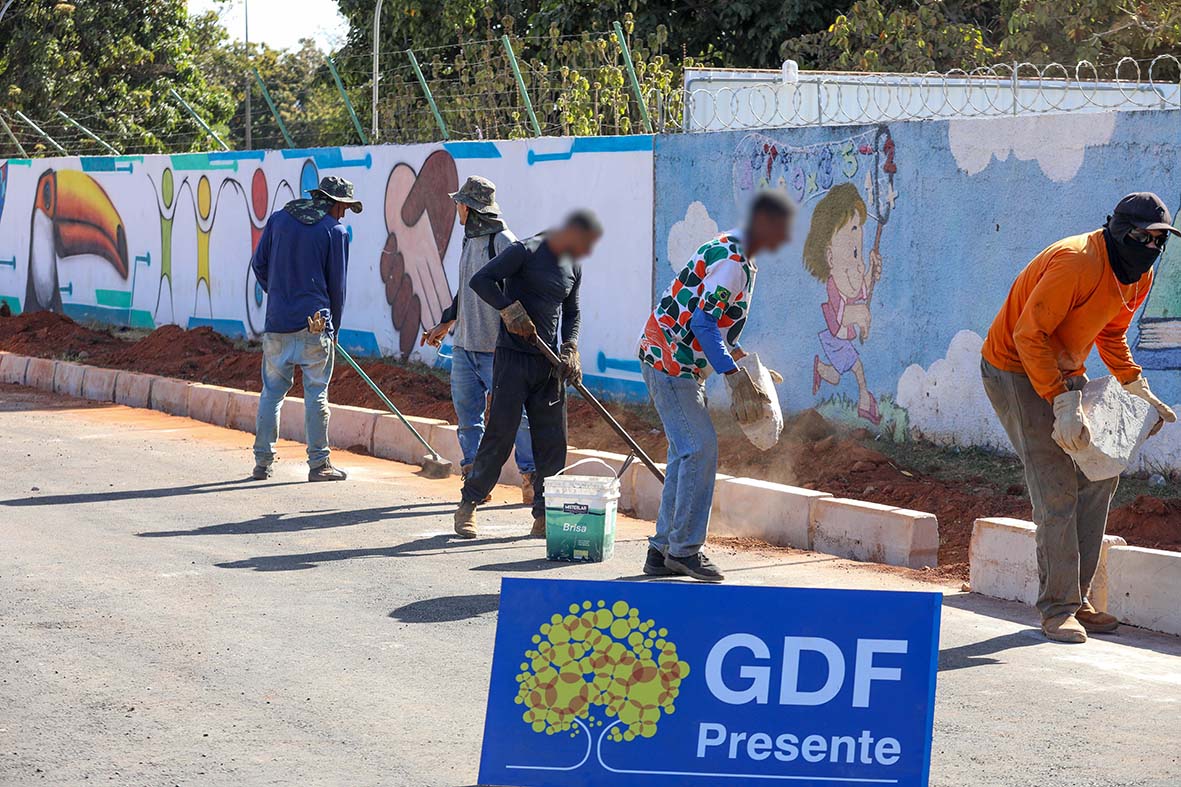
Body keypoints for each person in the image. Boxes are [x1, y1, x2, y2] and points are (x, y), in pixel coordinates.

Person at [981, 192, 1178, 643]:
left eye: (1158, 241)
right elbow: (1028, 335)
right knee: (1055, 484)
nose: (1151, 248)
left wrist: (1133, 382)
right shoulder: (1075, 262)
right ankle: (1057, 609)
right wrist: (1059, 400)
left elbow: (1111, 330)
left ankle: (1078, 598)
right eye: (1143, 237)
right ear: (1118, 230)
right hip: (1013, 367)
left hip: (1062, 368)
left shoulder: (1137, 276)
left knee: (1099, 473)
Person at [637, 191, 795, 582]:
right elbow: (703, 325)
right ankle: (685, 551)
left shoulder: (732, 249)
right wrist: (731, 374)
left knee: (684, 454)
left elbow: (712, 320)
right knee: (700, 448)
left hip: (671, 358)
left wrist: (742, 361)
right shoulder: (733, 263)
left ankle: (662, 551)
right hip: (671, 363)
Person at [452, 210, 603, 539]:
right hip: (513, 359)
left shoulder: (573, 265)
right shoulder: (525, 250)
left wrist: (571, 348)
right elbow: (481, 281)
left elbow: (572, 312)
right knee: (500, 435)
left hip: (548, 367)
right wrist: (507, 309)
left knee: (553, 442)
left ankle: (543, 514)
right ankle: (469, 503)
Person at [422, 176, 536, 504]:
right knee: (468, 418)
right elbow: (465, 288)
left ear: (471, 208)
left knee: (516, 416)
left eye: (460, 203)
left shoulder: (503, 241)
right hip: (464, 347)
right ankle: (475, 479)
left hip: (496, 349)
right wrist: (445, 323)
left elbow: (523, 282)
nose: (456, 208)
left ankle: (530, 477)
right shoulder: (469, 240)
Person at [250, 176, 361, 482]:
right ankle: (319, 463)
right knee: (317, 394)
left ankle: (263, 461)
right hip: (315, 325)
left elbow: (258, 265)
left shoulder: (279, 220)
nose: (345, 213)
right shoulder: (334, 231)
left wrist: (280, 295)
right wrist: (334, 327)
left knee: (271, 393)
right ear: (334, 203)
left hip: (277, 323)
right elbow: (337, 286)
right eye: (344, 207)